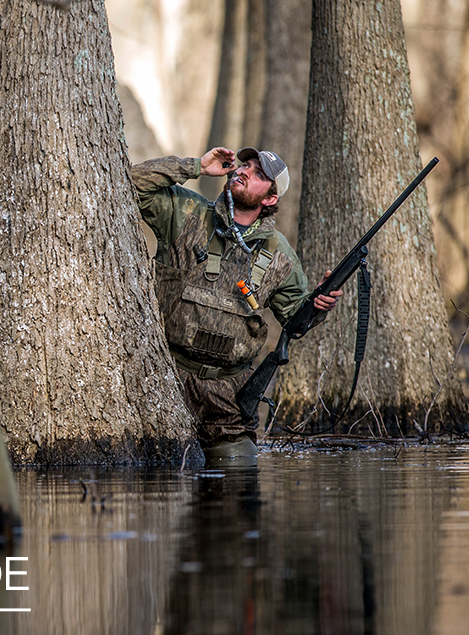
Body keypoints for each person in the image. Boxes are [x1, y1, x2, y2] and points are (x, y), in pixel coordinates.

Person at [131, 146, 342, 461]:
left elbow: (296, 320)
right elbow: (129, 183)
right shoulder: (186, 213)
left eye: (258, 174)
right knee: (160, 472)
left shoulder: (279, 253)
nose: (244, 171)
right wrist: (196, 167)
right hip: (164, 379)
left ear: (269, 199)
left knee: (239, 473)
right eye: (245, 165)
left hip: (228, 400)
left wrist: (319, 305)